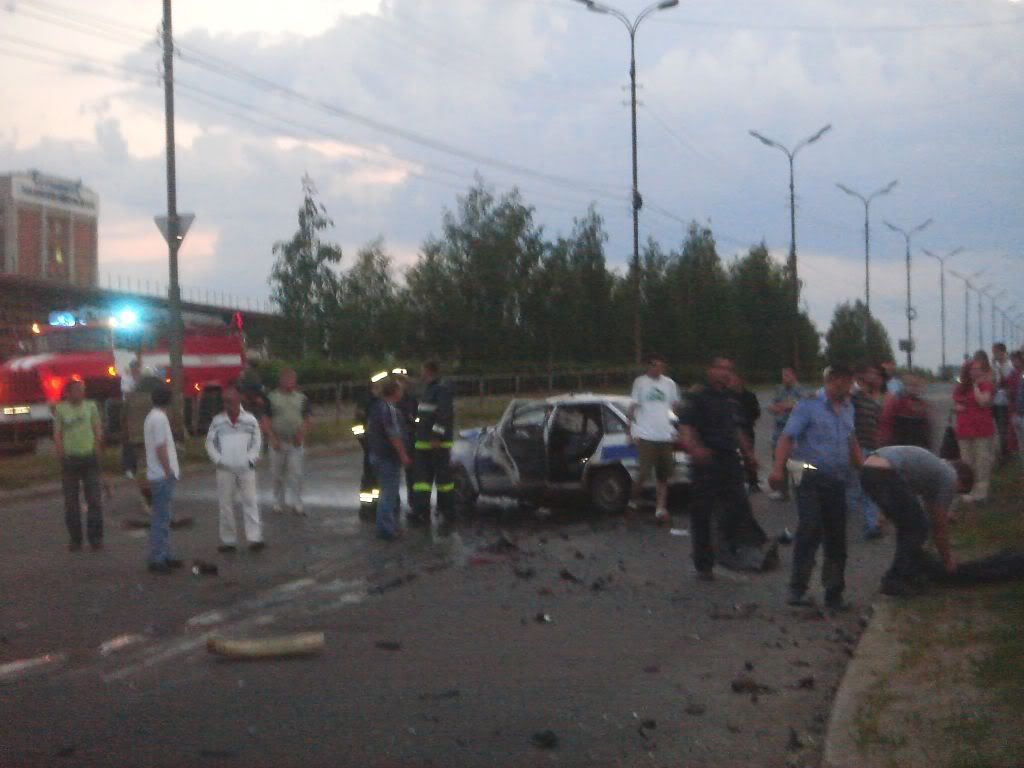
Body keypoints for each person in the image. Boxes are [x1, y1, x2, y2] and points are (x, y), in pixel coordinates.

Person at [769, 364, 863, 610]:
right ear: (833, 380)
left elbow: (851, 439)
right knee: (810, 528)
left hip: (836, 477)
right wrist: (778, 469)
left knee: (836, 536)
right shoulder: (808, 405)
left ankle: (834, 594)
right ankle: (797, 589)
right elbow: (787, 437)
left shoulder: (847, 407)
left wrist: (863, 468)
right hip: (807, 471)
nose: (852, 387)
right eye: (848, 381)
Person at [678, 357, 772, 578]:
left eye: (729, 369)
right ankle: (703, 563)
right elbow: (685, 426)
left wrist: (749, 454)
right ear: (710, 370)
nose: (725, 372)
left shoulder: (730, 399)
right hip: (707, 460)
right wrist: (695, 449)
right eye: (721, 368)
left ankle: (729, 549)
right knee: (702, 512)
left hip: (729, 460)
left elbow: (737, 430)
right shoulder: (697, 397)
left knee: (738, 505)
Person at [860, 446, 975, 596]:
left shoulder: (933, 471)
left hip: (869, 470)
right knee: (917, 528)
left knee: (911, 525)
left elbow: (930, 509)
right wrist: (947, 560)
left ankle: (910, 571)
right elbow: (939, 527)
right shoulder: (950, 477)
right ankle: (895, 578)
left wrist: (884, 514)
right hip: (885, 471)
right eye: (959, 492)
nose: (954, 495)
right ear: (962, 482)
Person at [206, 385, 264, 552]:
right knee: (225, 504)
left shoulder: (250, 420)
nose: (227, 405)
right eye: (224, 402)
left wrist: (251, 458)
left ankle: (254, 537)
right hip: (225, 469)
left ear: (239, 400)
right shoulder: (218, 421)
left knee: (250, 501)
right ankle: (228, 540)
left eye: (230, 401)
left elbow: (257, 441)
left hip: (246, 468)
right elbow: (210, 442)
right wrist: (218, 459)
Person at [626, 354, 681, 523]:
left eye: (661, 366)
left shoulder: (669, 383)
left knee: (663, 475)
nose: (658, 369)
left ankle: (660, 508)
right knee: (643, 473)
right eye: (655, 366)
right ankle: (633, 502)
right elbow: (633, 407)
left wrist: (674, 427)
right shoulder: (640, 383)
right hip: (646, 435)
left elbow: (674, 407)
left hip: (664, 435)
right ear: (649, 367)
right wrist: (630, 431)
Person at [53, 379, 104, 552]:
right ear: (67, 393)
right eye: (75, 391)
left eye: (82, 390)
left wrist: (97, 448)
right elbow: (58, 434)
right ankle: (76, 539)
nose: (80, 394)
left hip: (89, 458)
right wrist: (61, 454)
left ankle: (95, 538)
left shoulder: (90, 406)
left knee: (94, 500)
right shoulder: (61, 409)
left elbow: (97, 428)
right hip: (70, 460)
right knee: (71, 502)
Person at [410, 361, 455, 527]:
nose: (420, 374)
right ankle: (421, 510)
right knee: (422, 481)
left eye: (422, 370)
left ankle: (447, 511)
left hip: (437, 444)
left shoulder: (441, 389)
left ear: (428, 371)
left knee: (443, 481)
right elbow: (424, 415)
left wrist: (436, 436)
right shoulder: (428, 390)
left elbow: (444, 415)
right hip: (423, 443)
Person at [367, 376, 412, 540]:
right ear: (394, 391)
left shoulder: (377, 407)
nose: (402, 392)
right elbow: (393, 435)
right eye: (399, 389)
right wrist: (403, 455)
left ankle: (387, 525)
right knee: (389, 493)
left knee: (386, 492)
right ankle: (385, 529)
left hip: (377, 455)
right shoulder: (389, 409)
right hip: (387, 457)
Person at [263, 368, 312, 516]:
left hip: (295, 442)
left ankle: (297, 503)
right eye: (288, 379)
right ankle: (278, 501)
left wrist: (301, 434)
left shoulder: (302, 398)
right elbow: (265, 419)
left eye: (293, 379)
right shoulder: (271, 398)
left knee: (296, 473)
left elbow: (307, 418)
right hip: (278, 441)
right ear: (281, 380)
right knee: (277, 474)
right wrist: (271, 437)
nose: (291, 382)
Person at [144, 384, 182, 573]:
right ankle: (158, 557)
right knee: (161, 518)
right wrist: (168, 470)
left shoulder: (152, 417)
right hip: (161, 475)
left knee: (163, 517)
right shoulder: (159, 419)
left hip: (157, 473)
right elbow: (161, 447)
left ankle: (165, 554)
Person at [849, 363, 885, 540]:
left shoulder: (872, 400)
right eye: (872, 372)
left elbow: (879, 425)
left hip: (872, 449)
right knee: (855, 488)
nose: (875, 375)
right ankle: (867, 522)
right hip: (856, 447)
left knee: (868, 488)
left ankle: (872, 525)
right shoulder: (853, 397)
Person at [953, 355, 995, 502]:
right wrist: (960, 406)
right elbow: (956, 406)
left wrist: (976, 386)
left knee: (982, 462)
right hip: (964, 430)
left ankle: (980, 492)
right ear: (967, 371)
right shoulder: (960, 388)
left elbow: (983, 402)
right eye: (972, 369)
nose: (976, 372)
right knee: (967, 462)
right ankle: (967, 491)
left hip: (982, 430)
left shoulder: (986, 385)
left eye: (978, 369)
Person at [767, 367, 806, 501]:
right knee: (779, 460)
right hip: (779, 430)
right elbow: (771, 406)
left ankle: (800, 490)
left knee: (796, 462)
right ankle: (782, 491)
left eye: (787, 375)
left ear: (794, 376)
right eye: (783, 375)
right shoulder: (779, 389)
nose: (785, 377)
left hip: (794, 431)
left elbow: (799, 405)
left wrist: (784, 406)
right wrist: (782, 406)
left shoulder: (800, 390)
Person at [729, 371, 762, 493]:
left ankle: (753, 482)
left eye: (734, 379)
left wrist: (749, 420)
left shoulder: (750, 396)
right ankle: (737, 482)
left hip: (747, 428)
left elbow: (756, 412)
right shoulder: (728, 396)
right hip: (732, 429)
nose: (732, 382)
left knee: (749, 455)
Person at [878, 374, 931, 449]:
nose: (914, 388)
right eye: (911, 385)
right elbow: (887, 424)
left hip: (919, 447)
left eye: (917, 385)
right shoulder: (897, 403)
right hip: (898, 446)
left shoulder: (923, 406)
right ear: (905, 386)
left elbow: (926, 432)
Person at [120, 358, 142, 478]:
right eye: (134, 367)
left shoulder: (141, 378)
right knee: (128, 439)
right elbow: (128, 394)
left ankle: (137, 466)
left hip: (139, 410)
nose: (136, 370)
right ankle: (128, 467)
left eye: (137, 367)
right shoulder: (126, 378)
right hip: (129, 410)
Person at [991, 342, 1014, 460]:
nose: (993, 355)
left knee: (1002, 428)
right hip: (995, 400)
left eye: (995, 352)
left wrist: (998, 369)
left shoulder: (1009, 366)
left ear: (1002, 352)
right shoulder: (995, 366)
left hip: (1004, 402)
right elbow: (994, 382)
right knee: (994, 428)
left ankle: (1006, 454)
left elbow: (1006, 382)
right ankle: (999, 453)